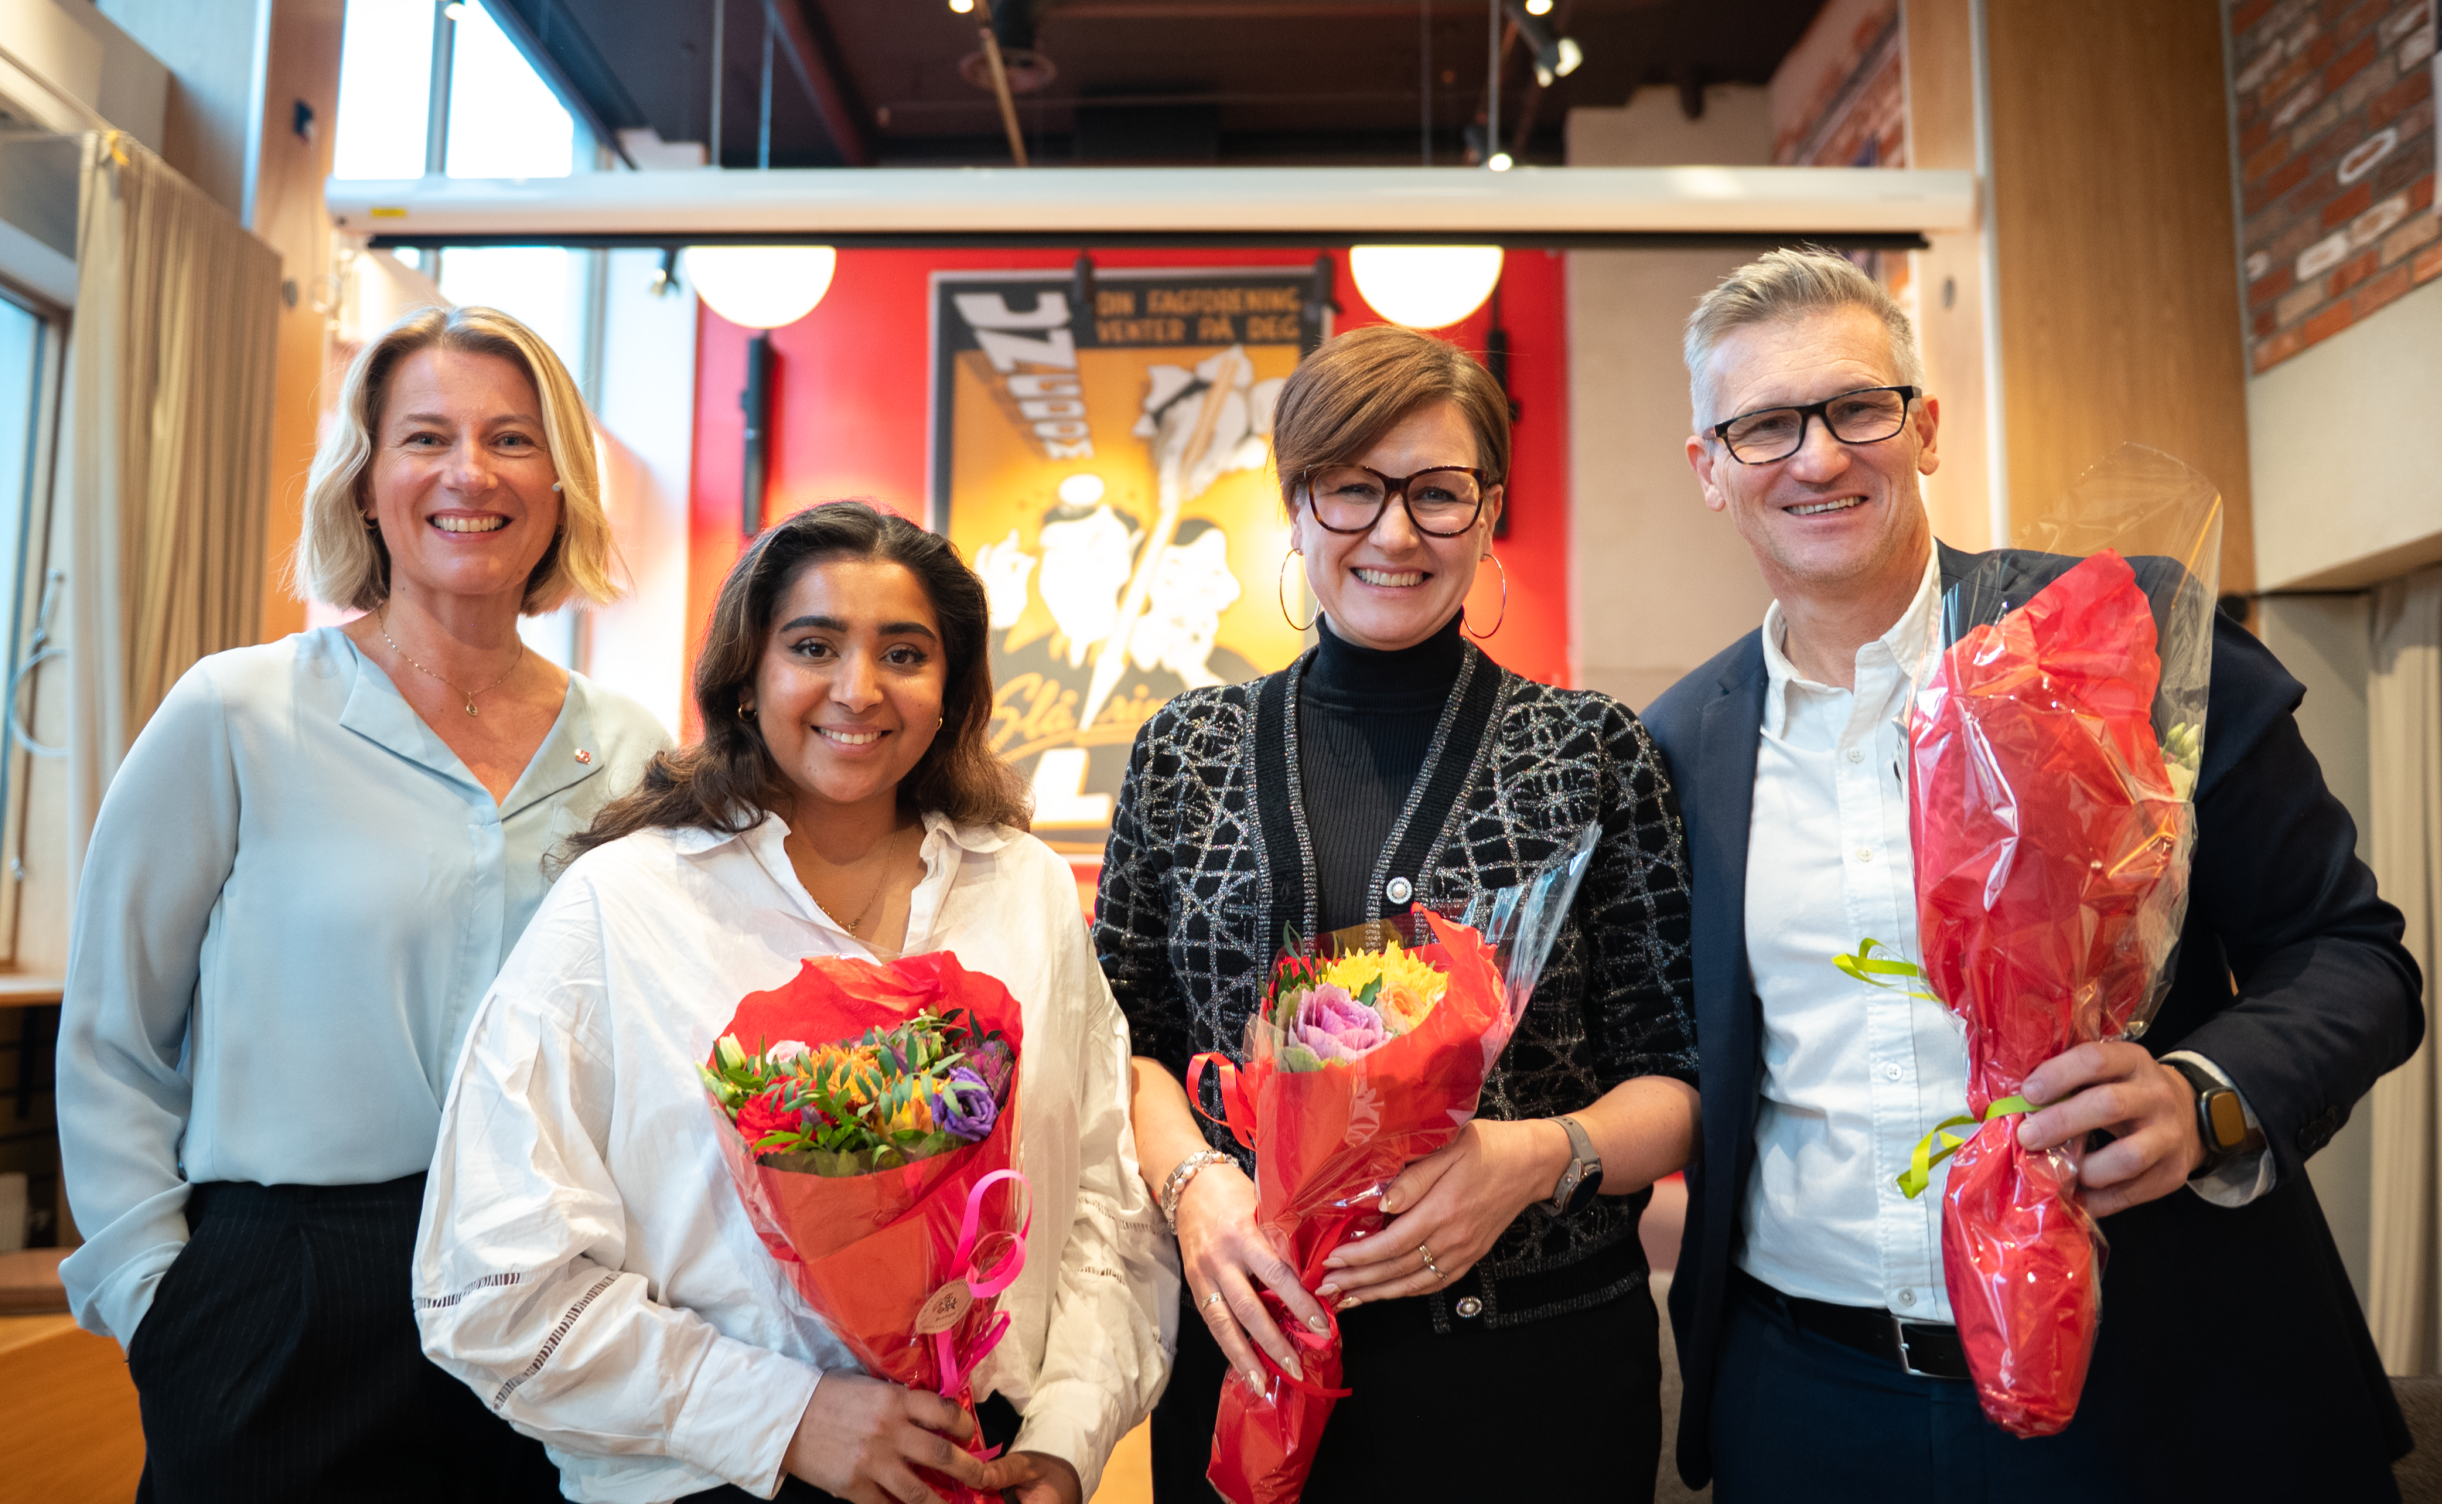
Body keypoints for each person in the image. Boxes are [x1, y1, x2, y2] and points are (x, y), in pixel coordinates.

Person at [1643, 247, 2424, 1500]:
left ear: (1924, 427)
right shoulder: (1674, 746)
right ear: (1708, 470)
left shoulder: (2115, 635)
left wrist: (2204, 1099)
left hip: (2155, 1376)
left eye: (1858, 408)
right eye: (1763, 425)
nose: (1819, 455)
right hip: (1809, 1404)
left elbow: (2352, 954)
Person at [414, 500, 1173, 1504]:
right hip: (710, 1476)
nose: (857, 690)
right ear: (747, 677)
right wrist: (785, 1416)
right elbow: (490, 1287)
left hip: (980, 1462)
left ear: (952, 690)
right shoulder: (623, 905)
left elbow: (1100, 1200)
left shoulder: (1023, 889)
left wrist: (1068, 1436)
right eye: (813, 645)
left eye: (904, 653)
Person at [55, 305, 672, 1502]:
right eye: (425, 437)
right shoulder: (236, 713)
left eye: (511, 439)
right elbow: (112, 1035)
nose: (469, 473)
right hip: (284, 1288)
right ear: (365, 482)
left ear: (558, 485)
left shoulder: (629, 747)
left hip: (553, 1284)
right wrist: (159, 1306)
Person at [1096, 323, 1702, 1501]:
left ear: (1486, 512)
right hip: (1250, 1356)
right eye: (1350, 490)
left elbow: (1680, 1080)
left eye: (1436, 493)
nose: (1392, 532)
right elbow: (1120, 1044)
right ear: (1295, 504)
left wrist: (1533, 1158)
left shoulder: (1588, 752)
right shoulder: (1186, 752)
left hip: (1531, 1380)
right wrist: (1195, 1189)